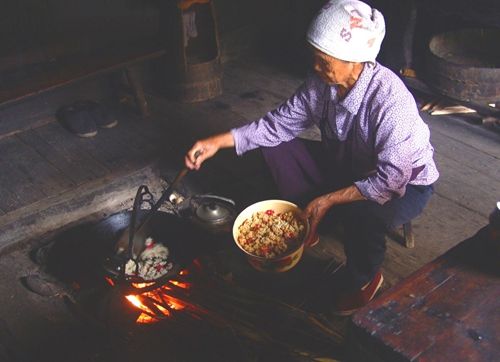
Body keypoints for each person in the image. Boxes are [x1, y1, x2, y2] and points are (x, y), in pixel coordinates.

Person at [185, 0, 439, 315]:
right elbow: (277, 125)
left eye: (323, 60)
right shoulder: (321, 84)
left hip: (404, 183)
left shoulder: (390, 101)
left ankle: (365, 278)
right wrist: (217, 142)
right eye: (314, 58)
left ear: (354, 60)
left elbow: (390, 180)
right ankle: (307, 220)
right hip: (348, 163)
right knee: (277, 145)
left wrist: (329, 199)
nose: (316, 67)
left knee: (365, 213)